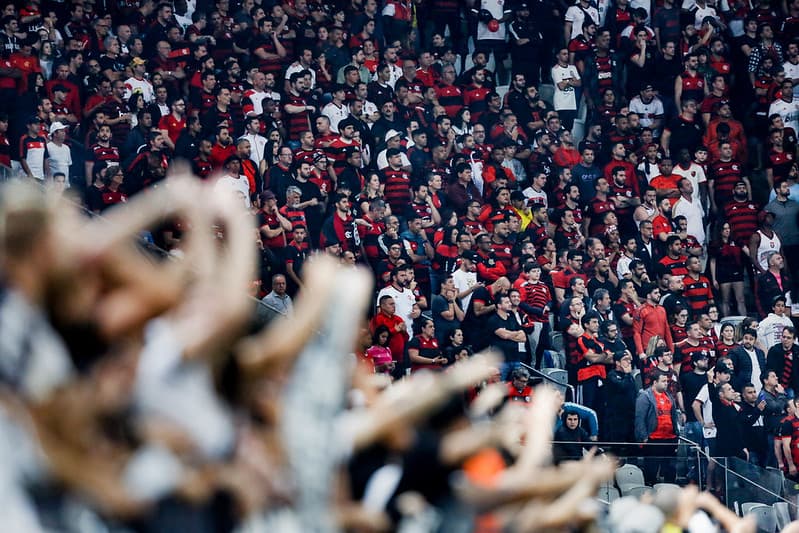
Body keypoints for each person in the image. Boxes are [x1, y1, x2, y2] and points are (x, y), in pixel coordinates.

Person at [635, 372, 680, 484]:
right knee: (651, 469)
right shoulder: (645, 396)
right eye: (663, 381)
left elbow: (673, 416)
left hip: (669, 438)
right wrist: (644, 437)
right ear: (655, 382)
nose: (666, 384)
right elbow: (640, 418)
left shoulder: (668, 396)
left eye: (667, 381)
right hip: (653, 439)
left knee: (670, 470)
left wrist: (677, 434)